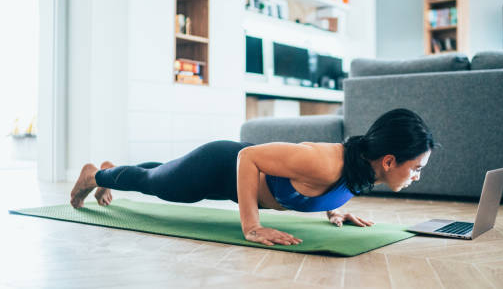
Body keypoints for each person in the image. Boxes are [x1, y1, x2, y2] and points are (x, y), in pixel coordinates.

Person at [70, 108, 438, 246]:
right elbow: (247, 158)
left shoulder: (362, 168)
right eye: (416, 167)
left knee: (163, 175)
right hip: (221, 164)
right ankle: (96, 175)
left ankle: (110, 170)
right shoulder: (325, 162)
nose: (417, 176)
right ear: (389, 160)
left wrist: (334, 210)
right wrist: (251, 226)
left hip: (226, 179)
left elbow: (329, 188)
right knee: (158, 186)